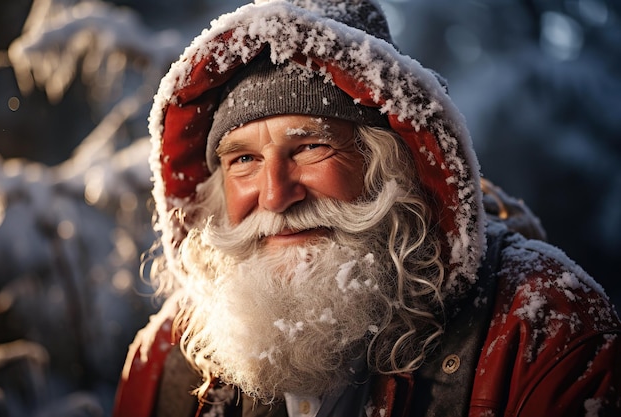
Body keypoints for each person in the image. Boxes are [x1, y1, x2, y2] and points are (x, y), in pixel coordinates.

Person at [112, 0, 621, 416]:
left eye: (309, 147)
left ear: (390, 168)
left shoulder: (541, 328)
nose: (273, 194)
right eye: (243, 159)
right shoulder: (168, 359)